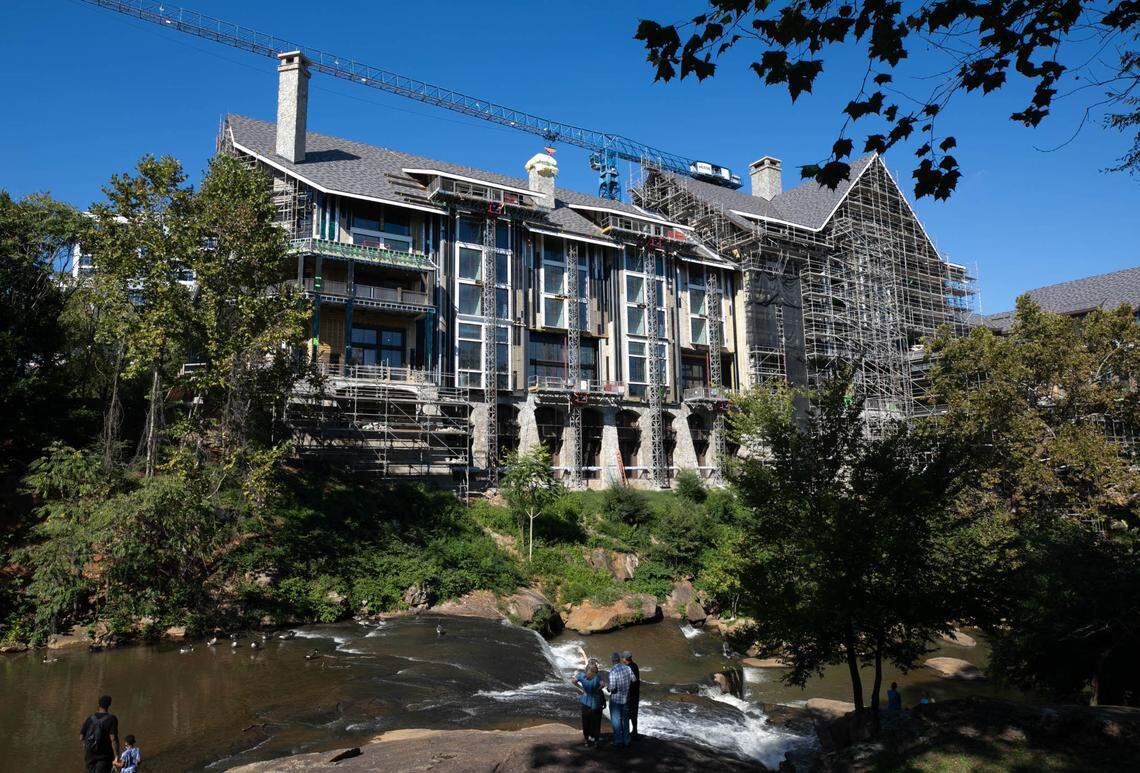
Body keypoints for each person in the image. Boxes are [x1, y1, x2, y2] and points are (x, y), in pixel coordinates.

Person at [80, 695, 120, 773]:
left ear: (98, 705)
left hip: (90, 755)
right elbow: (113, 739)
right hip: (104, 755)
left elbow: (81, 737)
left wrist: (88, 748)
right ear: (109, 705)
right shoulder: (112, 719)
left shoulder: (90, 718)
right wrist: (117, 756)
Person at [573, 655, 605, 746]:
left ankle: (586, 741)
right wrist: (598, 689)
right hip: (596, 702)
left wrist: (581, 689)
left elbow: (573, 681)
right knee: (596, 722)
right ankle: (596, 741)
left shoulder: (582, 676)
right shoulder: (597, 677)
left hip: (585, 701)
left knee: (586, 722)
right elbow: (603, 685)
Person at [606, 652, 633, 748]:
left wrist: (608, 688)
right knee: (625, 720)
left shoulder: (613, 671)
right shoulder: (628, 668)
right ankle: (627, 740)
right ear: (619, 659)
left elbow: (612, 688)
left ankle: (618, 740)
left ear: (612, 661)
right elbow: (634, 679)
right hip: (626, 698)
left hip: (616, 700)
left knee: (616, 720)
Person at [622, 650, 641, 741]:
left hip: (628, 695)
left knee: (627, 713)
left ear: (625, 659)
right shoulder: (635, 665)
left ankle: (627, 733)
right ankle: (635, 730)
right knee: (634, 713)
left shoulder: (627, 668)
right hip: (636, 694)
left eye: (623, 658)